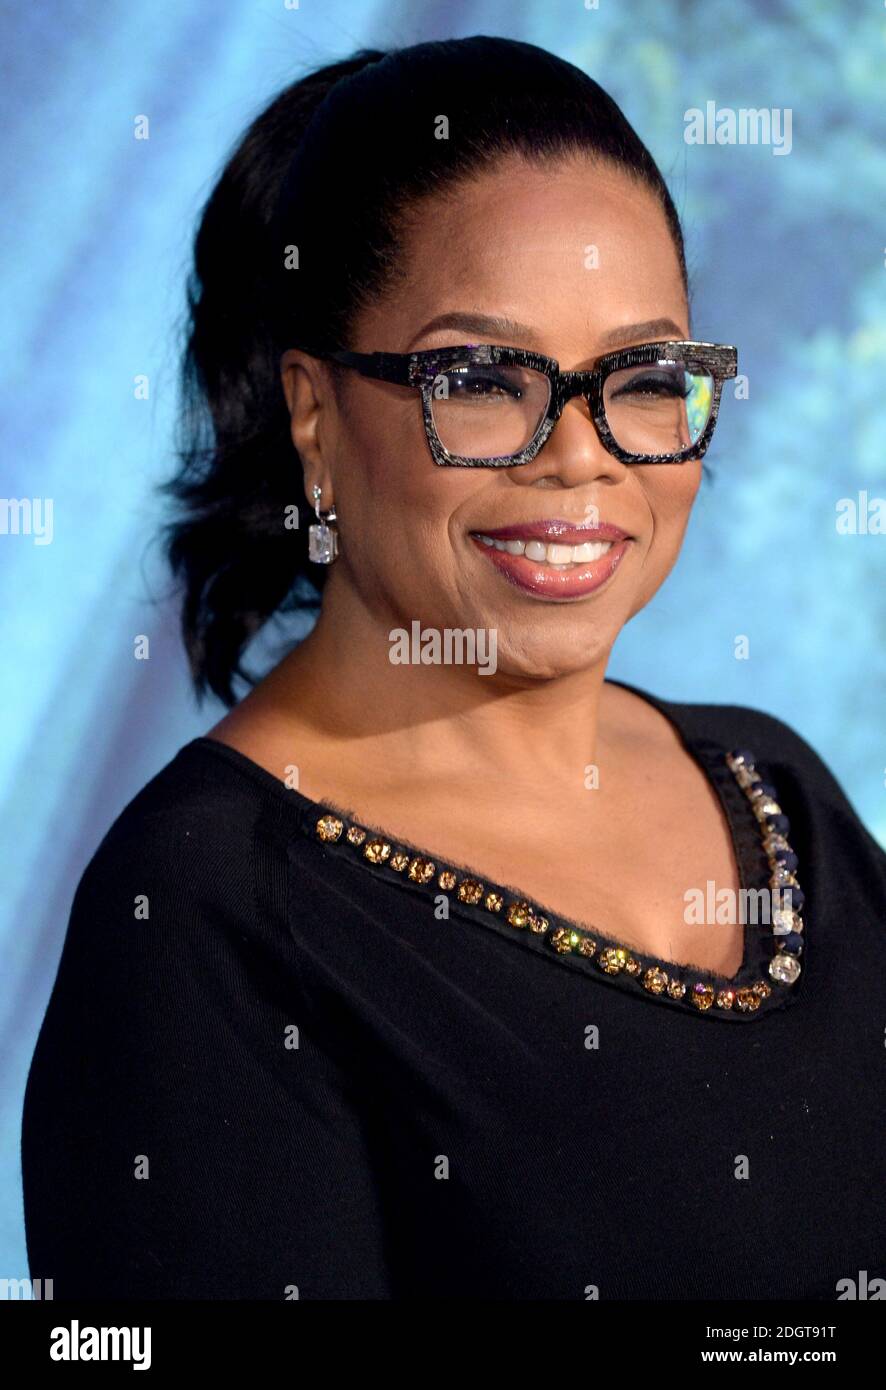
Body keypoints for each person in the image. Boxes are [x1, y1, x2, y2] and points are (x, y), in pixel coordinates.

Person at [21, 35, 886, 1301]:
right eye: (481, 378)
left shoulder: (773, 785)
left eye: (643, 378)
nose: (581, 458)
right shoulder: (206, 916)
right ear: (314, 416)